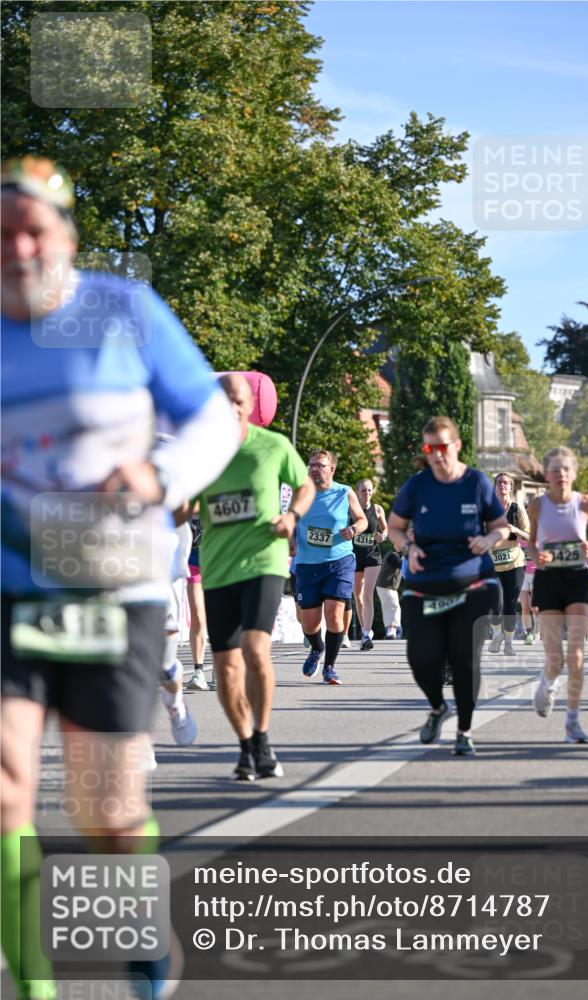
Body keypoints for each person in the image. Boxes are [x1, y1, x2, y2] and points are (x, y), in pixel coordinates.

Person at [0, 156, 239, 1000]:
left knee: (102, 811)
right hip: (10, 589)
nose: (20, 250)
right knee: (6, 790)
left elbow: (214, 419)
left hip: (111, 587)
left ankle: (145, 941)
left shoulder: (122, 311)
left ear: (66, 238)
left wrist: (161, 475)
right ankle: (34, 989)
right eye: (3, 237)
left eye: (37, 231)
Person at [194, 374, 315, 780]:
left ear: (249, 406)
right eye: (222, 400)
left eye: (237, 400)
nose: (230, 407)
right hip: (218, 568)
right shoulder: (201, 452)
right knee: (225, 667)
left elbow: (305, 486)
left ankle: (262, 736)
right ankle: (246, 745)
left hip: (265, 560)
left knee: (255, 648)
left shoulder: (273, 446)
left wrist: (293, 516)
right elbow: (181, 506)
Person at [387, 416, 509, 757]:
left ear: (455, 445)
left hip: (473, 582)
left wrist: (488, 539)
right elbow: (395, 528)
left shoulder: (477, 483)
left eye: (443, 447)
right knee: (421, 658)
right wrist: (408, 548)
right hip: (425, 582)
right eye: (430, 448)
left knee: (464, 658)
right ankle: (438, 707)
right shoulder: (417, 485)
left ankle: (464, 730)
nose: (437, 455)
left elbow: (502, 527)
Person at [527, 447, 588, 744]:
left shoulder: (585, 503)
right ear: (547, 475)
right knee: (555, 658)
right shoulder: (537, 506)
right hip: (548, 579)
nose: (561, 475)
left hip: (577, 579)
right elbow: (530, 544)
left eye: (566, 469)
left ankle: (572, 722)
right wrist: (536, 555)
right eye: (555, 470)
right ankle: (547, 683)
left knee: (577, 655)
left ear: (574, 473)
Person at [294, 450, 367, 685]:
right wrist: (288, 542)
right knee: (309, 623)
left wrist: (354, 530)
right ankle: (317, 648)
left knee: (335, 616)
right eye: (311, 465)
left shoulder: (345, 492)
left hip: (340, 562)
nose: (314, 469)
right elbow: (290, 519)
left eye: (320, 466)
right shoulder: (301, 492)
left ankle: (330, 668)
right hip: (307, 564)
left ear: (332, 469)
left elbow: (362, 519)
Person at [488, 473, 530, 656]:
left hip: (515, 562)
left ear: (511, 487)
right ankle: (497, 635)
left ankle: (509, 643)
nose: (503, 485)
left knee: (510, 605)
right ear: (495, 486)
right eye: (499, 482)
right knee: (495, 603)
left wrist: (515, 530)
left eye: (506, 483)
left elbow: (530, 535)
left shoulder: (517, 509)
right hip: (492, 564)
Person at [353, 478, 388, 650]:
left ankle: (367, 634)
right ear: (357, 492)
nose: (366, 494)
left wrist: (383, 536)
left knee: (367, 594)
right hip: (354, 556)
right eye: (363, 490)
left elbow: (386, 529)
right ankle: (364, 630)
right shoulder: (351, 510)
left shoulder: (378, 509)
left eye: (369, 490)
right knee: (357, 596)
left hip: (372, 556)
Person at [185, 507, 212, 690]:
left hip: (220, 562)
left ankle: (222, 665)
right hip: (193, 562)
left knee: (220, 616)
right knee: (198, 615)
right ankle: (199, 671)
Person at [376, 546, 403, 639]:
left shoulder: (395, 554)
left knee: (393, 606)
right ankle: (391, 630)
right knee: (393, 606)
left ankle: (393, 630)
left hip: (388, 586)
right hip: (385, 585)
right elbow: (402, 565)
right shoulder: (393, 555)